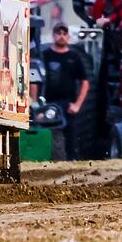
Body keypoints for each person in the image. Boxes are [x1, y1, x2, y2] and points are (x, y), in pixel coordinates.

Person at [39, 23, 92, 158]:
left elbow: (85, 82)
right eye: (58, 33)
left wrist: (78, 104)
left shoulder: (74, 57)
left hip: (69, 104)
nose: (61, 37)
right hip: (49, 103)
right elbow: (35, 79)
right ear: (53, 35)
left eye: (64, 34)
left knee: (72, 139)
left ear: (68, 36)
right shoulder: (45, 55)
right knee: (49, 135)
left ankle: (71, 164)